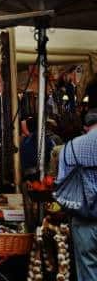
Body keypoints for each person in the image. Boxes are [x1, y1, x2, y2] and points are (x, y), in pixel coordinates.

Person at [56, 109, 97, 281]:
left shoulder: (69, 148)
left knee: (88, 270)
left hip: (83, 219)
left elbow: (60, 182)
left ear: (86, 127)